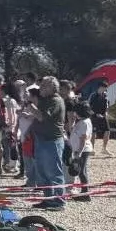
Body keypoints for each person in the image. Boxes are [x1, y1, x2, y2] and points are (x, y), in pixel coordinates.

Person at [31, 77, 68, 209]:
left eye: (44, 86)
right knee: (42, 172)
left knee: (54, 171)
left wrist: (30, 106)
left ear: (52, 87)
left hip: (52, 140)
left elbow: (42, 117)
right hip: (41, 139)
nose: (41, 88)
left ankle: (60, 201)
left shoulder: (55, 101)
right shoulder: (45, 100)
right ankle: (48, 199)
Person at [68, 103, 94, 201]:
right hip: (79, 149)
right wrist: (72, 121)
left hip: (83, 150)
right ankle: (84, 192)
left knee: (81, 172)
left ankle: (86, 193)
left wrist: (79, 152)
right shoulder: (81, 121)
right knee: (82, 171)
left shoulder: (84, 122)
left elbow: (83, 139)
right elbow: (72, 131)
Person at [88, 83, 111, 155]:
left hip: (103, 116)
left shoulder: (105, 96)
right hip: (94, 116)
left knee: (107, 131)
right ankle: (91, 149)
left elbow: (107, 106)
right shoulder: (93, 95)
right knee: (93, 133)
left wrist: (106, 113)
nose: (105, 89)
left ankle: (104, 149)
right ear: (99, 87)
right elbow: (88, 107)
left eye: (105, 88)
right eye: (104, 88)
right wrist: (95, 114)